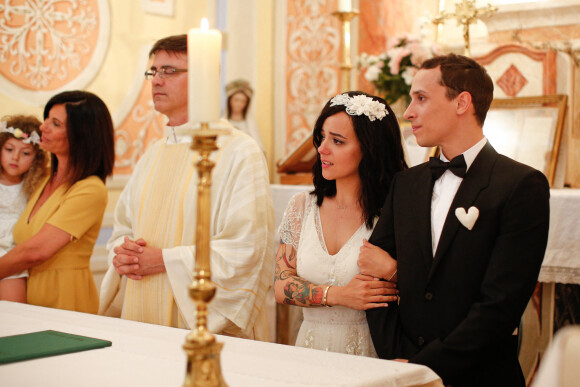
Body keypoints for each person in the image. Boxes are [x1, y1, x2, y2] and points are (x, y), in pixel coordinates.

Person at [364, 54, 550, 386]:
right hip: (401, 371)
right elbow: (373, 284)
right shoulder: (406, 184)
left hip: (480, 375)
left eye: (420, 98)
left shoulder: (520, 186)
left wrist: (427, 367)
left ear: (462, 102)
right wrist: (397, 359)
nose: (408, 112)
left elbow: (500, 305)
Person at [99, 34, 275, 340]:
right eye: (153, 71)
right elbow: (123, 227)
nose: (156, 81)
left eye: (169, 71)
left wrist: (165, 260)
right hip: (141, 315)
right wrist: (122, 252)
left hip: (198, 328)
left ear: (203, 79)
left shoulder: (239, 151)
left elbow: (247, 247)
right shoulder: (152, 153)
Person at [274, 91, 405, 356]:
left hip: (371, 353)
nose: (322, 148)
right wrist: (339, 295)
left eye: (338, 141)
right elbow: (281, 285)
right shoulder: (301, 207)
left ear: (370, 149)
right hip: (310, 349)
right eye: (322, 137)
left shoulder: (395, 213)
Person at [0, 91, 115, 313]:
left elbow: (36, 251)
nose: (43, 128)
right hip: (31, 299)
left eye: (55, 123)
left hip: (65, 300)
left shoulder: (90, 189)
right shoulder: (42, 181)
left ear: (81, 135)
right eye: (46, 119)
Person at [0, 115, 48, 302]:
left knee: (14, 313)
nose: (15, 157)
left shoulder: (37, 186)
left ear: (36, 158)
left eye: (25, 153)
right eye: (9, 149)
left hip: (15, 255)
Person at [224, 79, 265, 151]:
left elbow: (257, 147)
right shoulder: (223, 122)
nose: (239, 104)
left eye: (242, 101)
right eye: (236, 100)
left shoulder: (250, 125)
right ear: (230, 101)